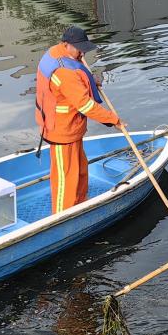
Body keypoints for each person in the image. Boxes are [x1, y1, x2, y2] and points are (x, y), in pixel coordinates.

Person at [35, 26, 124, 213]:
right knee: (66, 179)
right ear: (66, 44)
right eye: (79, 49)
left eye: (84, 48)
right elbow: (85, 105)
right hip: (61, 131)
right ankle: (62, 215)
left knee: (80, 170)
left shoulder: (58, 53)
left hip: (72, 128)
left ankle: (80, 203)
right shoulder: (64, 72)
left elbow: (77, 77)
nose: (82, 53)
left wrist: (90, 80)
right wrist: (113, 120)